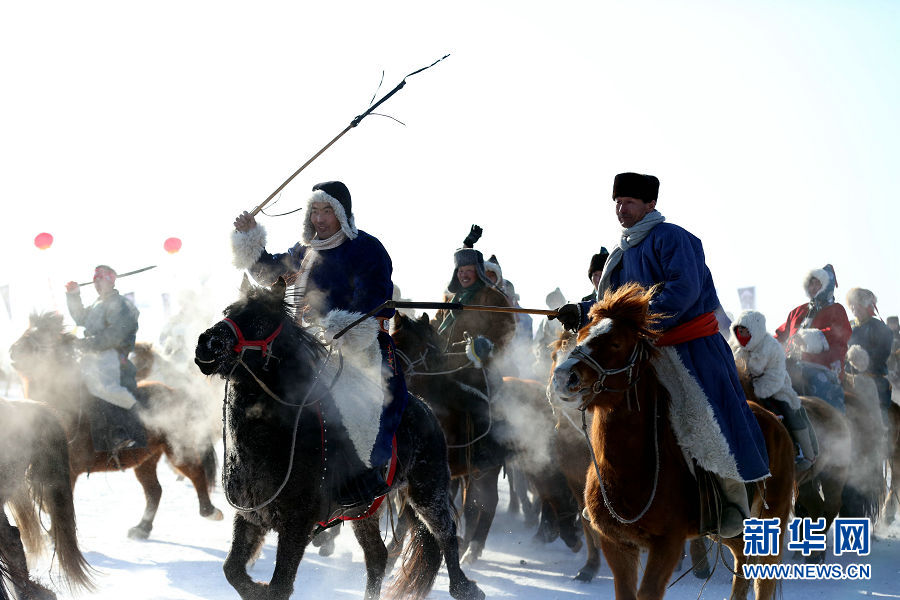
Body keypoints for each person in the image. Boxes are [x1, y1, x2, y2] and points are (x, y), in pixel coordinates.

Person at [552, 172, 770, 538]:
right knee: (610, 407)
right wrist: (583, 310)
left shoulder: (673, 238)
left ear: (650, 204)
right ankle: (611, 494)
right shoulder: (620, 252)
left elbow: (683, 292)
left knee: (703, 415)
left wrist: (633, 321)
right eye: (617, 203)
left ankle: (730, 501)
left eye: (629, 202)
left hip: (691, 349)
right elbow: (612, 305)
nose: (621, 209)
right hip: (645, 350)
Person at [231, 180, 405, 507]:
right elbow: (269, 273)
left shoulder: (367, 248)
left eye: (327, 211)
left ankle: (363, 475)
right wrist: (250, 236)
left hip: (357, 343)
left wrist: (338, 326)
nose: (320, 219)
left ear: (342, 212)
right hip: (307, 345)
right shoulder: (303, 251)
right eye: (315, 211)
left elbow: (372, 298)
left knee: (363, 402)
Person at [65, 265, 144, 455]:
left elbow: (115, 335)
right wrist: (73, 295)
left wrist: (88, 343)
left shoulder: (121, 305)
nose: (97, 284)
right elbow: (80, 318)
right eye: (95, 280)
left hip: (114, 357)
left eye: (100, 279)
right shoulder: (97, 304)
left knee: (102, 387)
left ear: (110, 281)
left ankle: (125, 432)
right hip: (94, 356)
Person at [728, 310, 816, 471]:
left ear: (755, 330)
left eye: (746, 331)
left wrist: (756, 390)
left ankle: (806, 453)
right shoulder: (733, 346)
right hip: (743, 388)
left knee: (788, 410)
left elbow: (775, 375)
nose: (742, 335)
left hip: (774, 387)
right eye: (739, 331)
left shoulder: (772, 346)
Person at [774, 265, 851, 412]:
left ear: (827, 286)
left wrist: (808, 339)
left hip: (824, 366)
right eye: (811, 283)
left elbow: (840, 334)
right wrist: (762, 343)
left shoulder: (837, 309)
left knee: (817, 383)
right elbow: (780, 335)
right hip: (791, 363)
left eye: (818, 283)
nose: (813, 287)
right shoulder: (797, 311)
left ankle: (835, 422)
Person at [845, 288, 894, 417]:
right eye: (852, 304)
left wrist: (862, 358)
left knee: (878, 414)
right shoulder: (849, 327)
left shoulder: (880, 328)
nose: (854, 307)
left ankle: (882, 428)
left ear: (866, 306)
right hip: (849, 377)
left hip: (873, 378)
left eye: (857, 304)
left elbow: (882, 352)